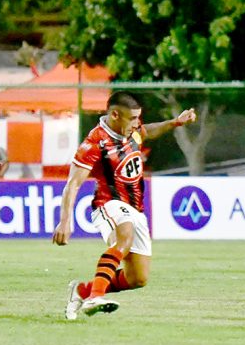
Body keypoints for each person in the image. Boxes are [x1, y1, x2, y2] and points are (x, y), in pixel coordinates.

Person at [52, 91, 197, 319]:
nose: (137, 123)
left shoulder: (132, 133)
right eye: (133, 118)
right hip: (108, 203)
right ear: (115, 115)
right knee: (124, 236)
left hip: (136, 208)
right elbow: (73, 184)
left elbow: (148, 131)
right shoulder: (94, 143)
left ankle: (82, 291)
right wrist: (65, 221)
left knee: (138, 278)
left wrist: (175, 122)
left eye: (138, 117)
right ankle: (95, 297)